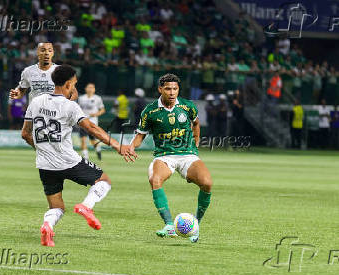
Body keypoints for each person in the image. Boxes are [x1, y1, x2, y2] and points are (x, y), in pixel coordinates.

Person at [21, 65, 133, 247]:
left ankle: (47, 226)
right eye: (74, 84)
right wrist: (117, 146)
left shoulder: (36, 101)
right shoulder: (70, 106)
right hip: (68, 161)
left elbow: (25, 134)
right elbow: (92, 128)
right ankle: (86, 206)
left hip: (44, 165)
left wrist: (43, 150)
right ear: (67, 84)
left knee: (56, 207)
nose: (74, 88)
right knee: (104, 181)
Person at [121, 74, 213, 244]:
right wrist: (131, 147)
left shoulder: (188, 107)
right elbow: (140, 135)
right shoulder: (150, 111)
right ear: (160, 89)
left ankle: (196, 225)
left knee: (207, 183)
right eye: (168, 89)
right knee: (155, 180)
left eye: (175, 89)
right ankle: (169, 225)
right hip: (164, 156)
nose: (172, 92)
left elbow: (196, 123)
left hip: (187, 155)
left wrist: (196, 143)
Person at [77, 83, 105, 160]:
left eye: (92, 87)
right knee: (83, 140)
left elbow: (102, 110)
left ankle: (98, 150)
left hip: (93, 123)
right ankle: (86, 158)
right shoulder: (81, 98)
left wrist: (96, 114)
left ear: (94, 89)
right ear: (85, 89)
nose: (90, 89)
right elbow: (78, 109)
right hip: (83, 122)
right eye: (88, 87)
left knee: (93, 141)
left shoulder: (98, 98)